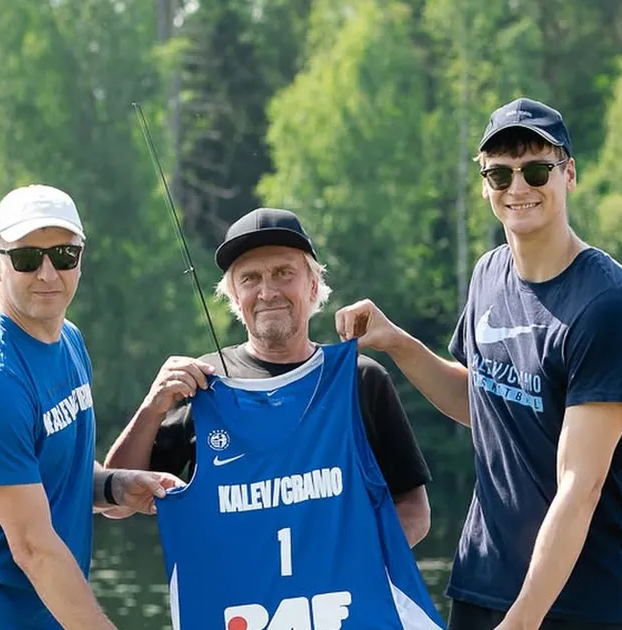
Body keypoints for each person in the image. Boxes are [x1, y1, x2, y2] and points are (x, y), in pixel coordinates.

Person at [335, 98, 622, 630]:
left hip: (585, 605)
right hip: (483, 586)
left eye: (536, 170)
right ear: (485, 182)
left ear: (569, 175)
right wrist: (396, 342)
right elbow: (482, 401)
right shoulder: (490, 273)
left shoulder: (609, 308)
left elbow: (580, 488)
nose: (517, 188)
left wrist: (522, 621)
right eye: (500, 173)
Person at [104, 207, 442, 628]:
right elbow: (114, 503)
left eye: (284, 273)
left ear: (314, 283)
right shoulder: (201, 387)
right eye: (250, 279)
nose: (268, 291)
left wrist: (352, 562)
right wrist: (152, 407)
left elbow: (414, 509)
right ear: (232, 296)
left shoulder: (358, 380)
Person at [0, 184, 184, 630]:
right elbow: (32, 546)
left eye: (64, 255)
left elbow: (47, 473)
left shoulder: (68, 340)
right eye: (27, 258)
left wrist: (115, 486)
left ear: (81, 259)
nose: (48, 273)